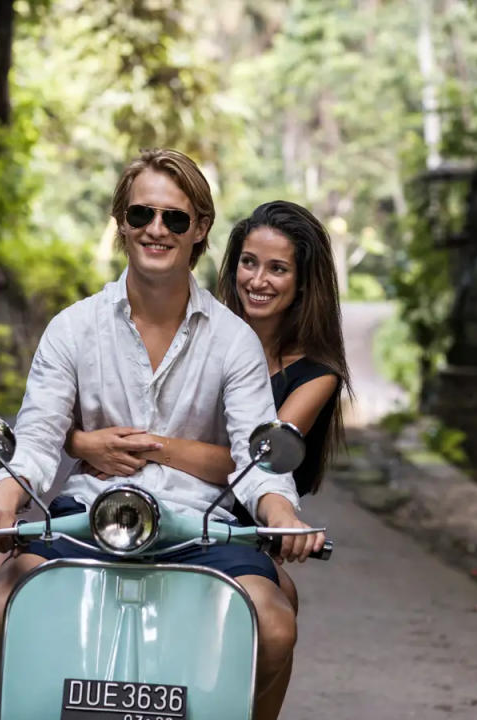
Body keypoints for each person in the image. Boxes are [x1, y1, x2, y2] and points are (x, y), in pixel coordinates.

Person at [0, 149, 324, 720]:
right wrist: (2, 500)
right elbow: (36, 437)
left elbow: (257, 454)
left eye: (174, 218)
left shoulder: (233, 341)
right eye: (141, 215)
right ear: (122, 223)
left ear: (200, 229)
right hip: (89, 517)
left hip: (202, 528)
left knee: (276, 627)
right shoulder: (73, 327)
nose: (156, 230)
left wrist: (281, 513)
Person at [69, 200, 352, 615]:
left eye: (278, 269)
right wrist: (82, 442)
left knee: (273, 610)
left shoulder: (316, 375)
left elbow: (253, 463)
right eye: (249, 263)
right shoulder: (199, 331)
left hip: (232, 521)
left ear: (304, 281)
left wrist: (141, 448)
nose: (258, 280)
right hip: (144, 504)